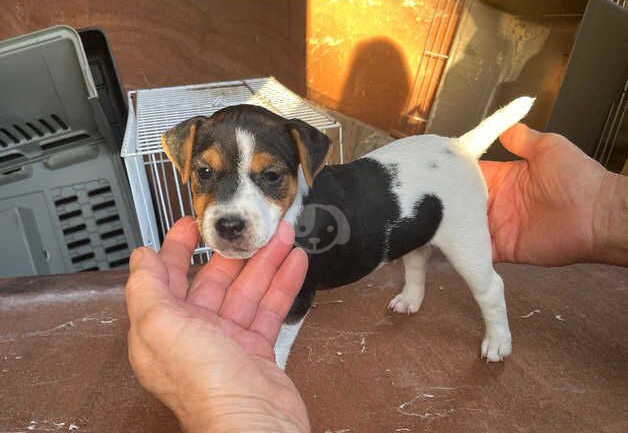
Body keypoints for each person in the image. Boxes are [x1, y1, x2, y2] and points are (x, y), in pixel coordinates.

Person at [125, 123, 627, 432]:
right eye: (206, 175)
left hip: (442, 180)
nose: (231, 211)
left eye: (270, 175)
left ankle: (499, 323)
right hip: (419, 175)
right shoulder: (268, 221)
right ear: (186, 161)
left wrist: (269, 360)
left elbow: (294, 301)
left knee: (476, 267)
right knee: (414, 250)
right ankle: (413, 289)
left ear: (303, 164)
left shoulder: (301, 232)